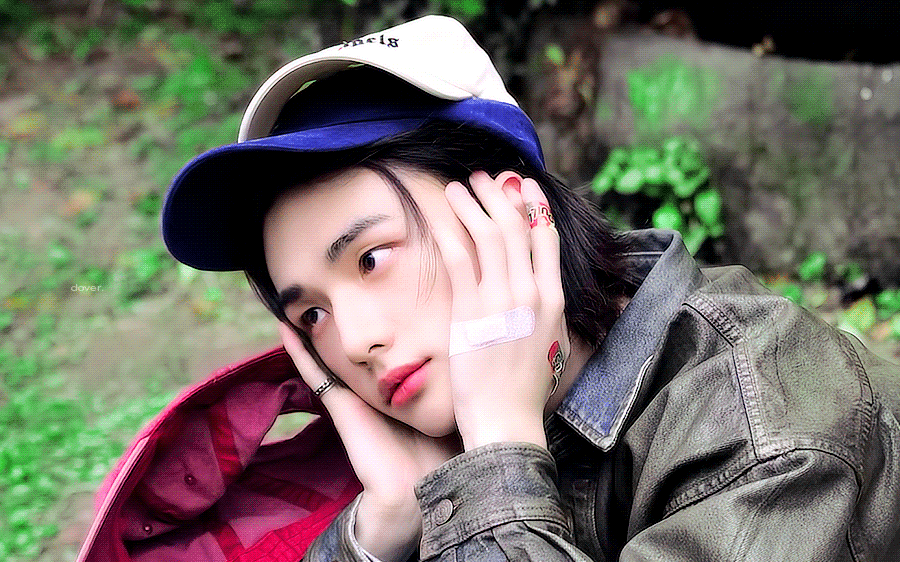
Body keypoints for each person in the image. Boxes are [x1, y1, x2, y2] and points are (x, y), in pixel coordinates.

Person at [79, 15, 900, 562]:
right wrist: (382, 529)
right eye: (312, 312)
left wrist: (500, 448)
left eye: (371, 258)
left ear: (511, 211)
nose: (354, 341)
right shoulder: (428, 452)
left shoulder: (772, 438)